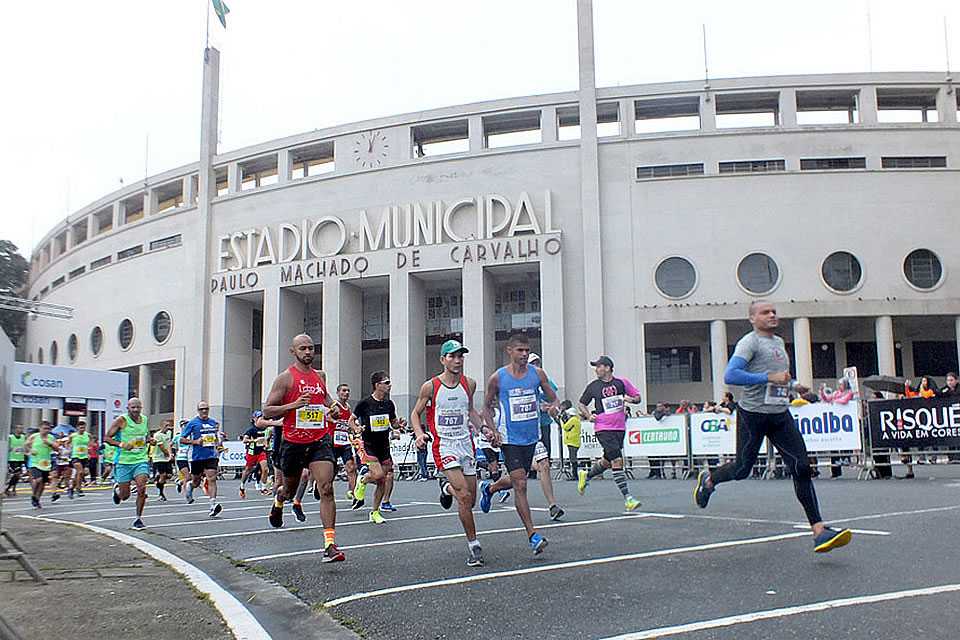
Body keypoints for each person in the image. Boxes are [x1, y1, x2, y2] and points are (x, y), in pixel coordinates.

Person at [693, 300, 853, 553]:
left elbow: (778, 378)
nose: (772, 315)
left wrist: (793, 386)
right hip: (753, 415)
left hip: (779, 414)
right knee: (743, 468)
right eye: (765, 312)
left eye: (774, 312)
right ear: (752, 318)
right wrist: (767, 377)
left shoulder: (778, 343)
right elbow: (730, 376)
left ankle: (819, 530)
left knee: (801, 465)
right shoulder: (750, 342)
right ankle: (710, 479)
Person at [262, 334, 345, 563]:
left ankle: (329, 545)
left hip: (319, 440)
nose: (308, 352)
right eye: (303, 348)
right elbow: (267, 410)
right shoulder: (285, 379)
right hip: (294, 443)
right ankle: (279, 500)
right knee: (288, 491)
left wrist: (334, 408)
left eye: (311, 348)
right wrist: (293, 406)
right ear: (293, 351)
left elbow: (326, 399)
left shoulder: (319, 377)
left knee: (326, 488)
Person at [478, 333, 558, 555]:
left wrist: (553, 407)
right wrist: (492, 430)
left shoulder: (538, 374)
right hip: (509, 438)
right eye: (520, 350)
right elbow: (485, 407)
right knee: (521, 483)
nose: (524, 354)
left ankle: (490, 488)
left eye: (527, 350)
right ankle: (533, 535)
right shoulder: (498, 378)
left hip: (531, 437)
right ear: (509, 351)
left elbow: (553, 398)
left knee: (518, 479)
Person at [410, 339, 487, 567]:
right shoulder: (431, 387)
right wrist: (418, 434)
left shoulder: (469, 384)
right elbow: (416, 414)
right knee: (463, 496)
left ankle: (446, 488)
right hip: (444, 446)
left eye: (460, 356)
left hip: (466, 445)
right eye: (452, 356)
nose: (457, 360)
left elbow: (470, 409)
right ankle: (474, 546)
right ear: (443, 360)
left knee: (470, 500)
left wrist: (483, 428)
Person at [576, 356, 643, 511]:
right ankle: (628, 499)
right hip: (603, 428)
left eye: (598, 366)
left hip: (619, 427)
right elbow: (581, 403)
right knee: (617, 460)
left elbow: (638, 397)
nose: (596, 370)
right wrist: (588, 415)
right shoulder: (593, 386)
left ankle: (586, 475)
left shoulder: (622, 383)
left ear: (607, 368)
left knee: (607, 461)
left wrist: (630, 400)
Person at [351, 371, 407, 523]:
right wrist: (356, 429)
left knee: (383, 480)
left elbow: (393, 423)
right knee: (378, 476)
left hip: (384, 446)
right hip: (369, 445)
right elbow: (352, 420)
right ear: (377, 385)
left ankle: (374, 512)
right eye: (386, 383)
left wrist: (399, 425)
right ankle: (362, 480)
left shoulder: (389, 404)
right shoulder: (365, 403)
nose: (389, 386)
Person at [527, 352, 565, 520]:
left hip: (541, 426)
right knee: (518, 473)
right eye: (532, 363)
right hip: (519, 430)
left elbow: (556, 401)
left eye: (537, 362)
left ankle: (552, 505)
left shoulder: (545, 381)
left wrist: (551, 408)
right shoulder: (518, 381)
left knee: (545, 463)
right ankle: (491, 488)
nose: (536, 366)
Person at [105, 398, 152, 529]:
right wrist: (121, 444)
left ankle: (138, 519)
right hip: (124, 461)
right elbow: (107, 438)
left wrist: (150, 440)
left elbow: (144, 436)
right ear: (128, 408)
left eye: (138, 407)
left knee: (142, 488)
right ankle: (117, 491)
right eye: (133, 408)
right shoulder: (122, 420)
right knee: (125, 496)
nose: (136, 410)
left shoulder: (145, 419)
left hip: (140, 459)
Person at [180, 401, 224, 517]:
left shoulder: (213, 423)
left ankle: (213, 504)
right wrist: (195, 442)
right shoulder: (193, 423)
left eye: (206, 409)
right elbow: (182, 439)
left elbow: (215, 438)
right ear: (198, 410)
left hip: (211, 455)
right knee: (196, 481)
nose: (204, 411)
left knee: (212, 478)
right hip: (197, 457)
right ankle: (190, 486)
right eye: (202, 409)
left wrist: (218, 442)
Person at [329, 384, 358, 501]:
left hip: (345, 442)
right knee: (332, 470)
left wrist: (357, 428)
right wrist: (335, 421)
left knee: (351, 467)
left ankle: (354, 494)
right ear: (338, 392)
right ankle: (323, 488)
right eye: (343, 391)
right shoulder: (334, 405)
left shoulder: (348, 407)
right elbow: (325, 417)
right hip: (333, 441)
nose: (346, 393)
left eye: (348, 391)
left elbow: (351, 422)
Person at [26, 422, 61, 508]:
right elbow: (26, 445)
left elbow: (57, 448)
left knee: (42, 483)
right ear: (40, 428)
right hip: (35, 462)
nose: (46, 431)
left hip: (46, 463)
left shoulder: (51, 437)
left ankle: (37, 499)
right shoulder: (34, 436)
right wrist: (30, 451)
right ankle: (34, 495)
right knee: (38, 479)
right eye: (44, 428)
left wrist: (49, 443)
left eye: (48, 429)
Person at [239, 411, 270, 498]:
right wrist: (253, 441)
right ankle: (242, 485)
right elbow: (244, 440)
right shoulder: (251, 430)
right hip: (252, 452)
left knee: (265, 469)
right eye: (258, 417)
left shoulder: (264, 429)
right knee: (248, 470)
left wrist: (266, 444)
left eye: (261, 417)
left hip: (261, 452)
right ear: (254, 419)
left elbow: (265, 440)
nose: (261, 419)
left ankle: (263, 488)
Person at [150, 420, 174, 501]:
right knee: (163, 475)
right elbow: (162, 448)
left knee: (169, 475)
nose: (168, 427)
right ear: (161, 426)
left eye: (168, 425)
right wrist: (169, 454)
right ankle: (161, 493)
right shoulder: (157, 435)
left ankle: (157, 480)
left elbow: (169, 445)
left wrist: (170, 454)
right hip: (158, 458)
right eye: (166, 425)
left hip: (166, 458)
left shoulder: (169, 433)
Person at [68, 420, 91, 498]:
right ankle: (79, 489)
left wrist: (89, 452)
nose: (82, 429)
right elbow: (67, 443)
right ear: (77, 428)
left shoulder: (88, 435)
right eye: (81, 428)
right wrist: (69, 450)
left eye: (84, 428)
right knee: (80, 472)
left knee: (84, 473)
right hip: (76, 456)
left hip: (84, 457)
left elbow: (90, 444)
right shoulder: (73, 435)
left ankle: (71, 488)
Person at [559, 401, 581, 479]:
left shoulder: (573, 420)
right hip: (574, 441)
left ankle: (575, 475)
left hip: (572, 441)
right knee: (573, 457)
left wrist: (561, 420)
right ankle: (574, 474)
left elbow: (565, 427)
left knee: (573, 458)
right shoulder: (576, 419)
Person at [5, 424, 27, 497]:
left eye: (22, 428)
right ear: (16, 429)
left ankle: (13, 488)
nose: (20, 430)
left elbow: (25, 447)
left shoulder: (23, 437)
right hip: (12, 459)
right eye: (19, 428)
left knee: (18, 475)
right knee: (16, 474)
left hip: (20, 459)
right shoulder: (10, 437)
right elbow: (7, 447)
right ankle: (8, 488)